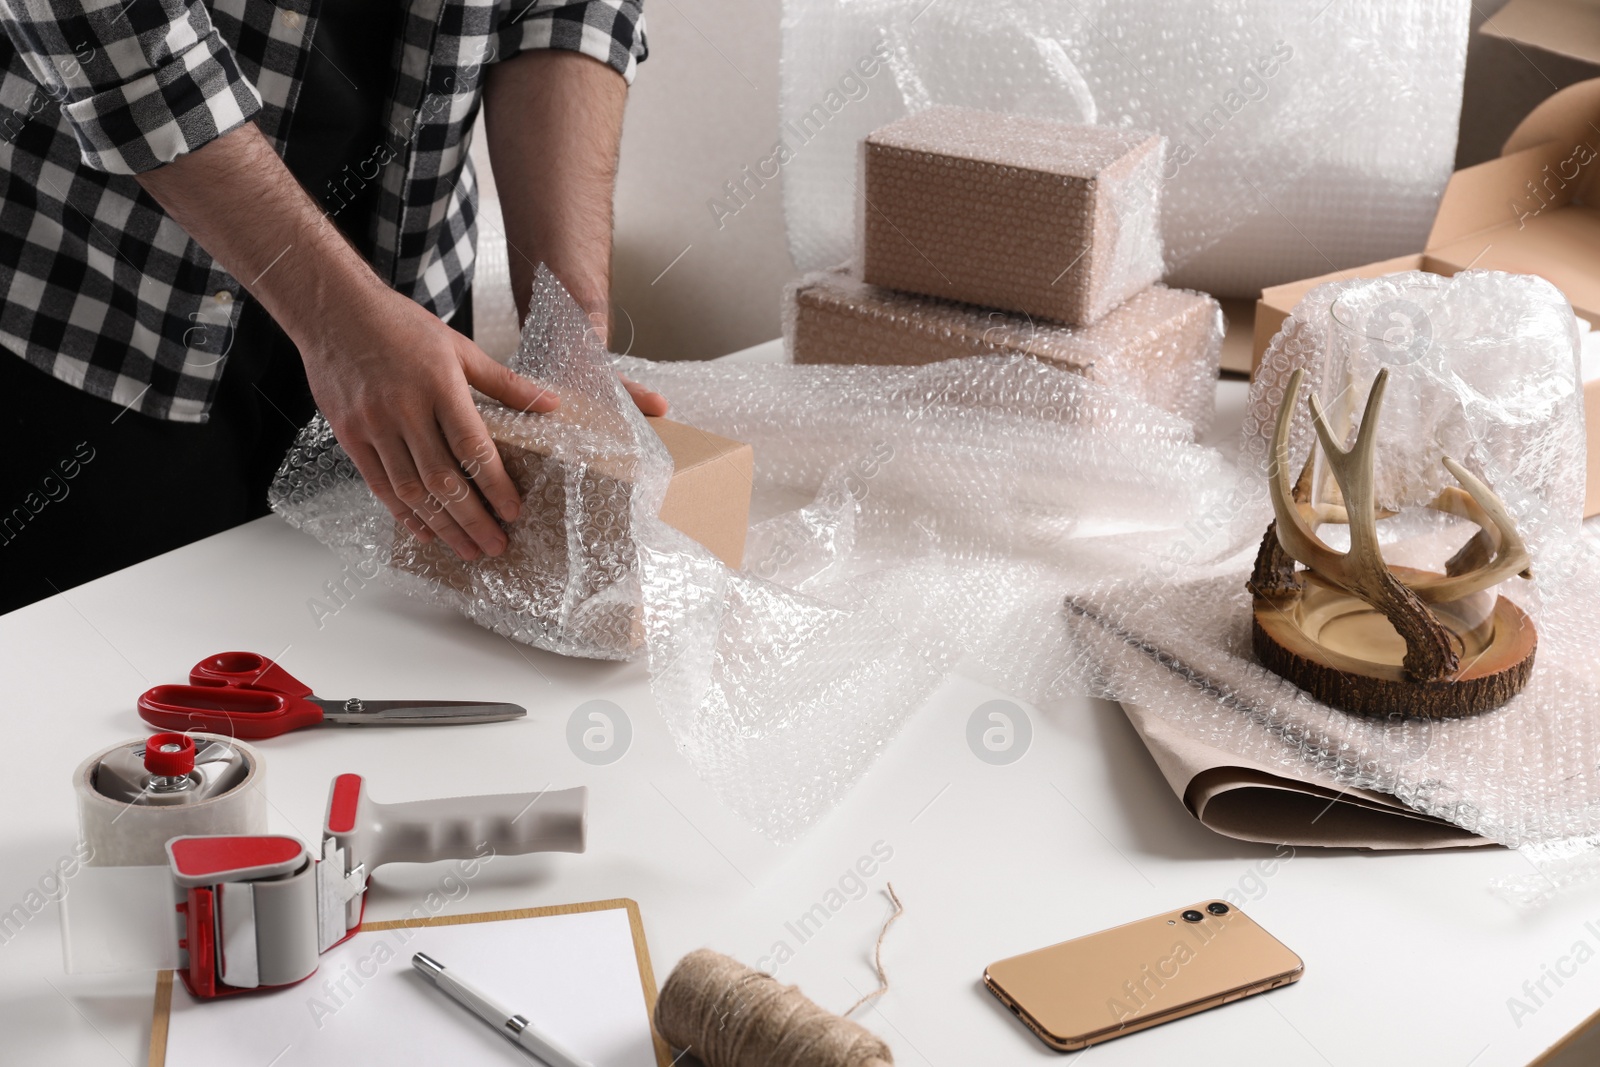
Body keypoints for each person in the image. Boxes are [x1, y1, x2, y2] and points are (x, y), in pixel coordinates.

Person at [0, 0, 666, 614]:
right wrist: (339, 321)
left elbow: (567, 10)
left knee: (367, 663)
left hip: (412, 339)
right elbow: (107, 23)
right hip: (100, 308)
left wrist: (571, 329)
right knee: (91, 699)